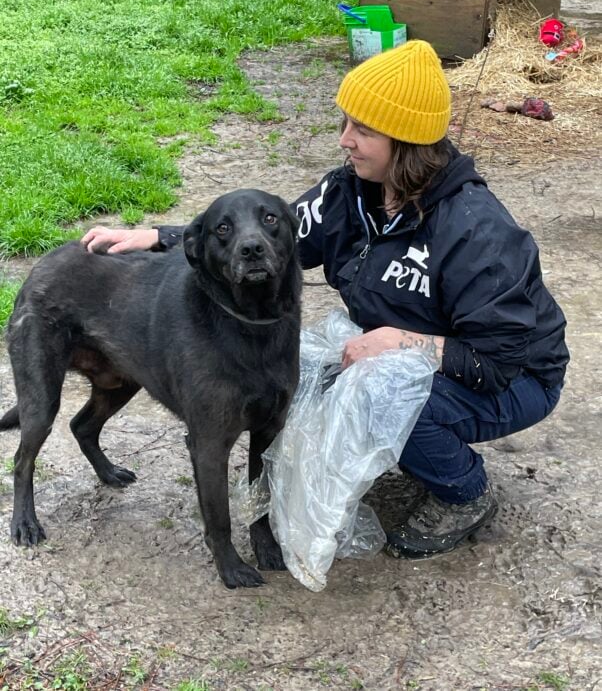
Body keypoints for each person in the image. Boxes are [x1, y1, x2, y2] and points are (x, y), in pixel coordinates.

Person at [82, 40, 569, 559]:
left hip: (515, 378)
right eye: (345, 124)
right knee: (310, 375)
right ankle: (407, 441)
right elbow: (271, 238)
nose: (345, 141)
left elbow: (497, 361)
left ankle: (465, 492)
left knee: (378, 397)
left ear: (404, 140)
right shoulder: (350, 194)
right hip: (424, 355)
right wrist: (161, 237)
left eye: (363, 129)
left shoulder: (477, 232)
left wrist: (400, 341)